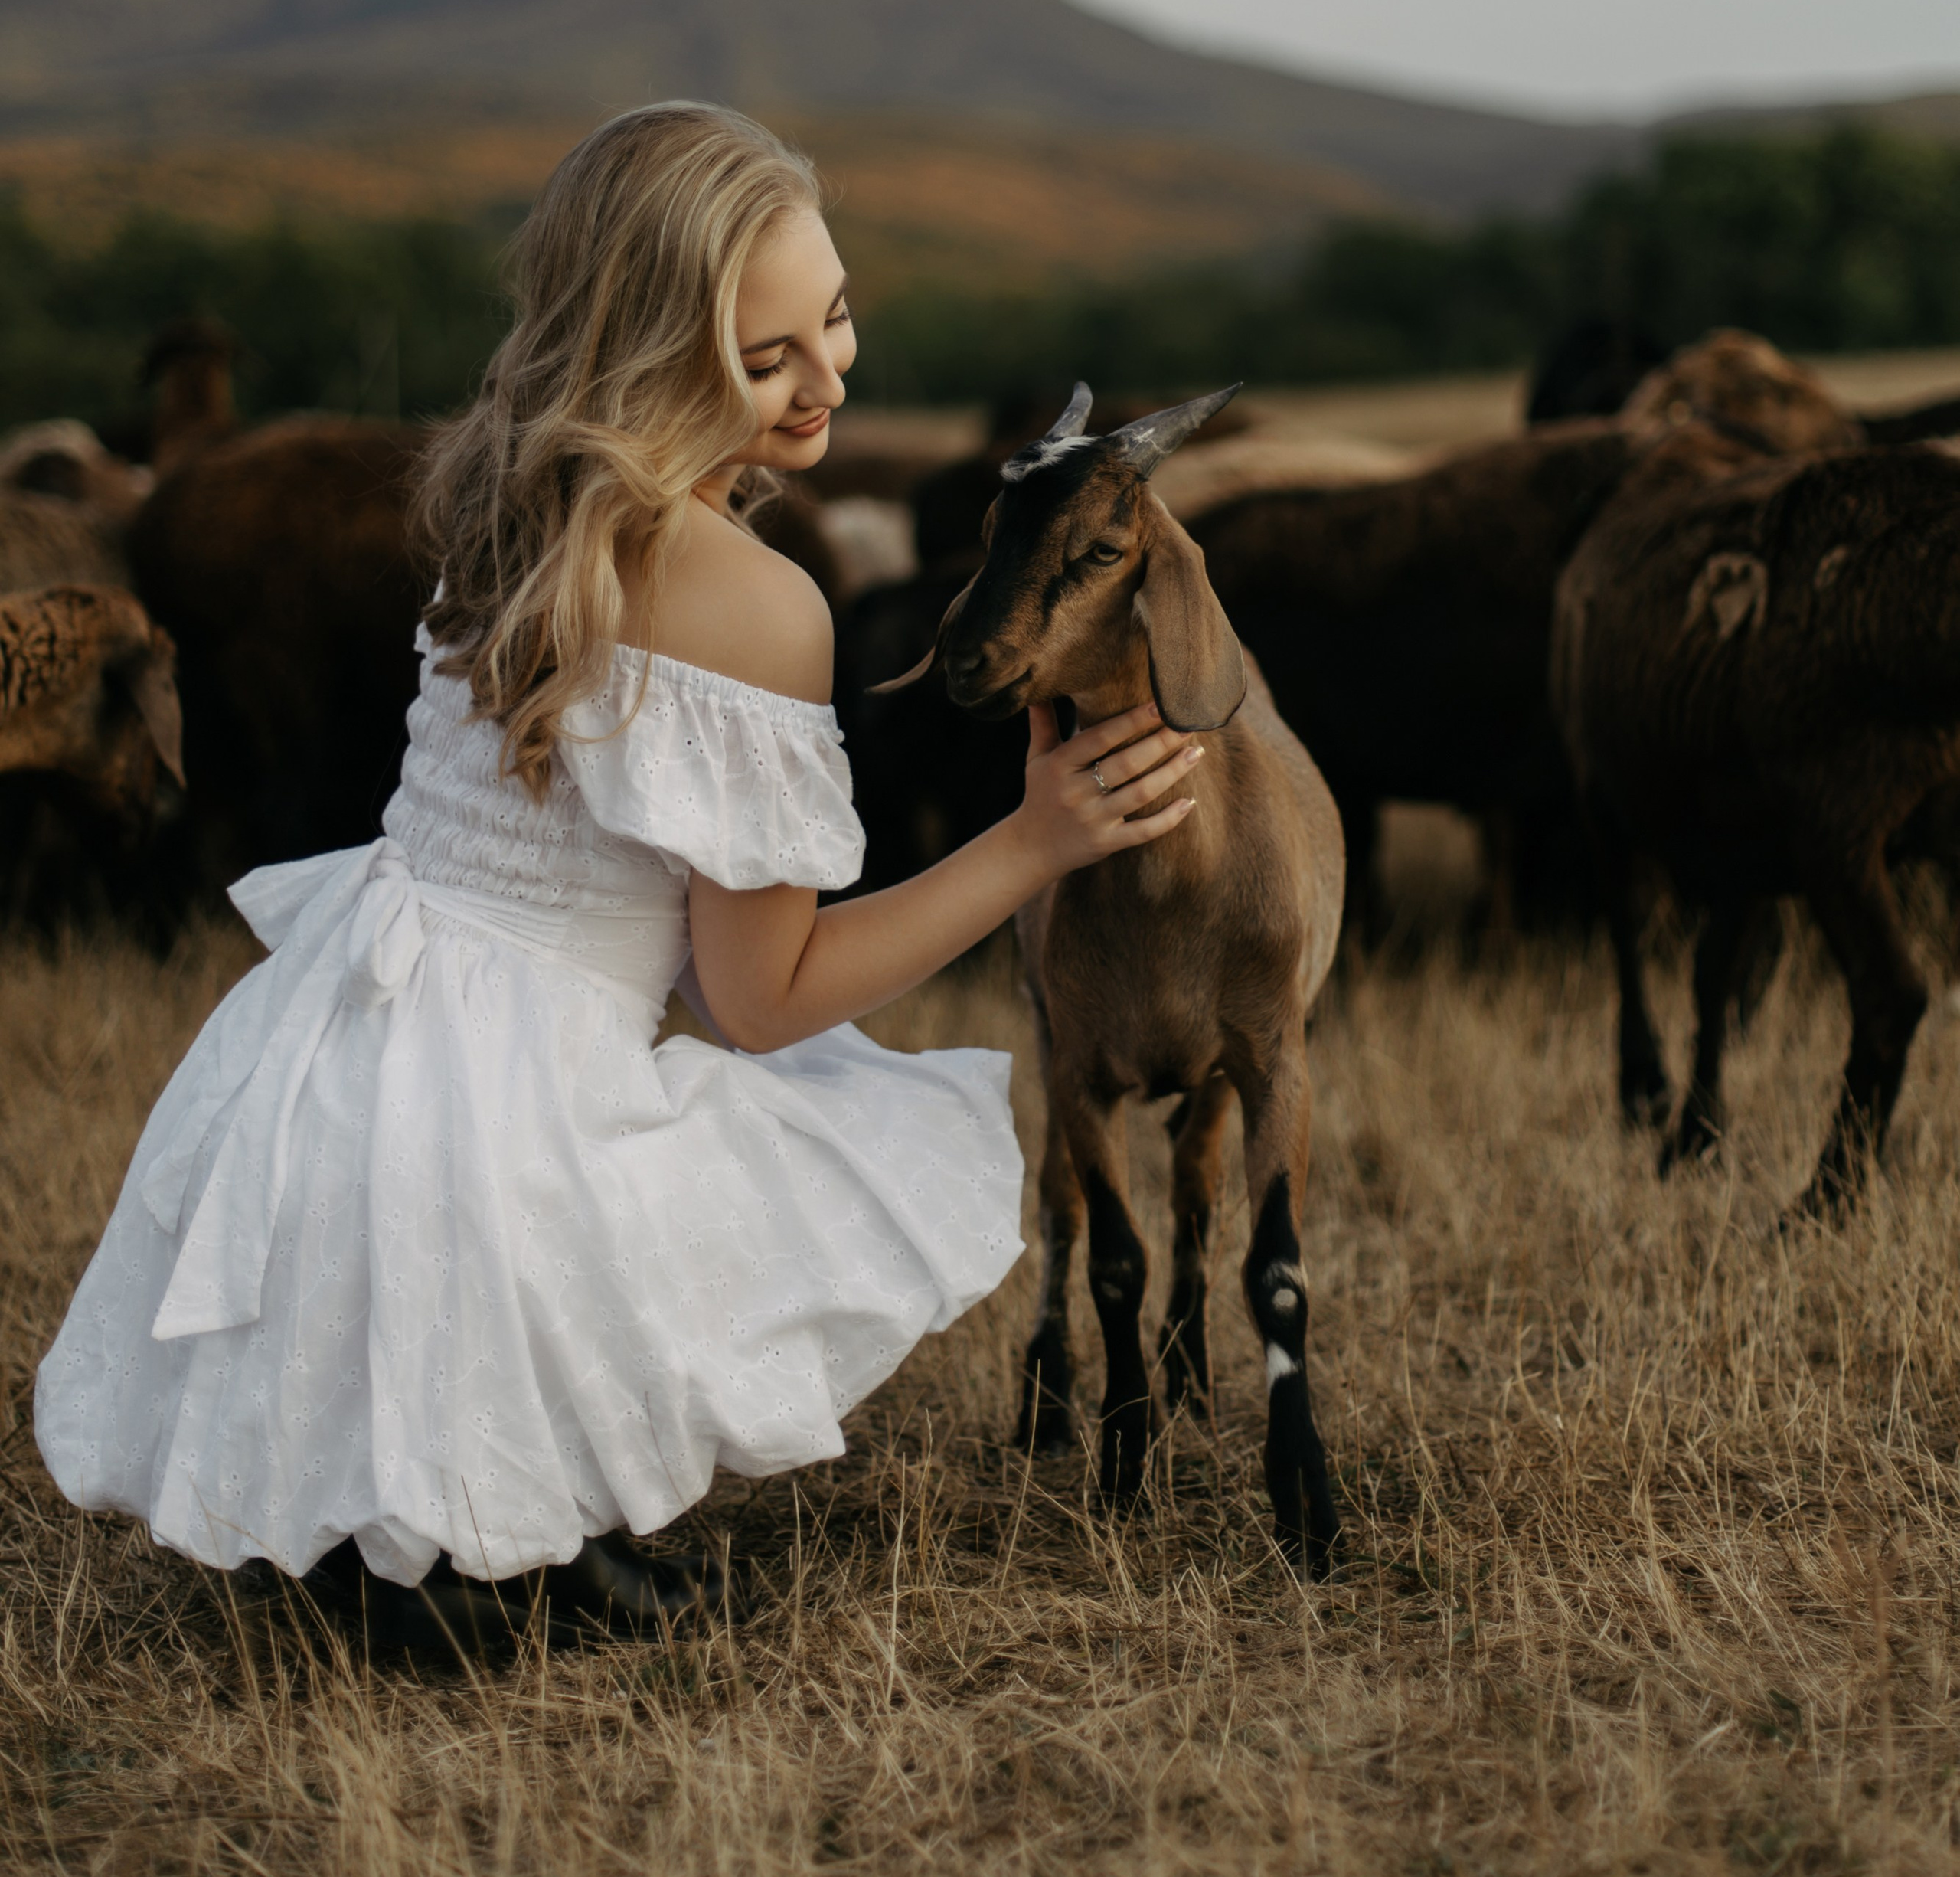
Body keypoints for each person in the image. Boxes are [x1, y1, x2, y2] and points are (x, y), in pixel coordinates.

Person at [35, 103, 1200, 1646]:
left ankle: (425, 1512)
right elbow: (757, 1001)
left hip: (331, 1065)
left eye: (836, 318)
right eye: (767, 356)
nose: (828, 378)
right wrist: (1033, 841)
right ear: (651, 358)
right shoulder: (760, 606)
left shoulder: (500, 507)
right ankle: (463, 1556)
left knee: (544, 1147)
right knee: (812, 1129)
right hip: (493, 1118)